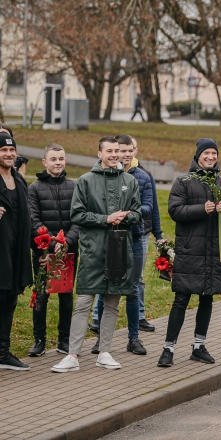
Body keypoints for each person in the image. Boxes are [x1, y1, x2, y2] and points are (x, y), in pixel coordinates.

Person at [51, 137, 142, 372]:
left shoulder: (130, 181)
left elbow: (138, 213)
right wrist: (105, 219)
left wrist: (127, 216)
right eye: (109, 151)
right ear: (99, 153)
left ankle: (105, 352)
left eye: (117, 151)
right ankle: (72, 355)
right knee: (84, 303)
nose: (114, 155)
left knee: (112, 303)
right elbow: (77, 215)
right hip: (93, 251)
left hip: (120, 250)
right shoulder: (85, 181)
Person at [157, 138, 221, 367]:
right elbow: (175, 210)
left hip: (214, 252)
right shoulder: (183, 181)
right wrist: (200, 209)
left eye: (214, 153)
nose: (211, 157)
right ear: (198, 155)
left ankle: (198, 346)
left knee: (207, 298)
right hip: (190, 250)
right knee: (181, 298)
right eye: (207, 153)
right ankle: (168, 348)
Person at [92, 135, 152, 356]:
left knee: (133, 288)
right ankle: (100, 339)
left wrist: (127, 214)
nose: (122, 154)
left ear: (134, 151)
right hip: (108, 238)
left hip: (134, 238)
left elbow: (148, 207)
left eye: (127, 150)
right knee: (104, 288)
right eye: (119, 150)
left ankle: (133, 338)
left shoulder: (142, 177)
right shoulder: (101, 176)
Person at [27, 143, 79, 356]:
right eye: (53, 159)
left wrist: (66, 241)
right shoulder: (34, 188)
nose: (58, 163)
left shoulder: (74, 186)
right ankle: (39, 340)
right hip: (43, 252)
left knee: (66, 296)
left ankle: (64, 340)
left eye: (61, 159)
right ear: (45, 162)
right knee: (41, 295)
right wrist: (50, 244)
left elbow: (79, 218)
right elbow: (33, 220)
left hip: (68, 251)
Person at [0, 134, 32, 371]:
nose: (9, 154)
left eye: (11, 150)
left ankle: (2, 352)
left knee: (9, 300)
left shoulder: (19, 181)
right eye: (3, 150)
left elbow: (26, 218)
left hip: (14, 253)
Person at [130, 136, 163, 332]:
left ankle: (140, 315)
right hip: (115, 232)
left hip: (141, 232)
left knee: (138, 277)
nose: (128, 153)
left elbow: (155, 207)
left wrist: (158, 234)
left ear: (136, 150)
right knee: (110, 274)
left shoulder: (145, 174)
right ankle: (97, 318)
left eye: (132, 148)